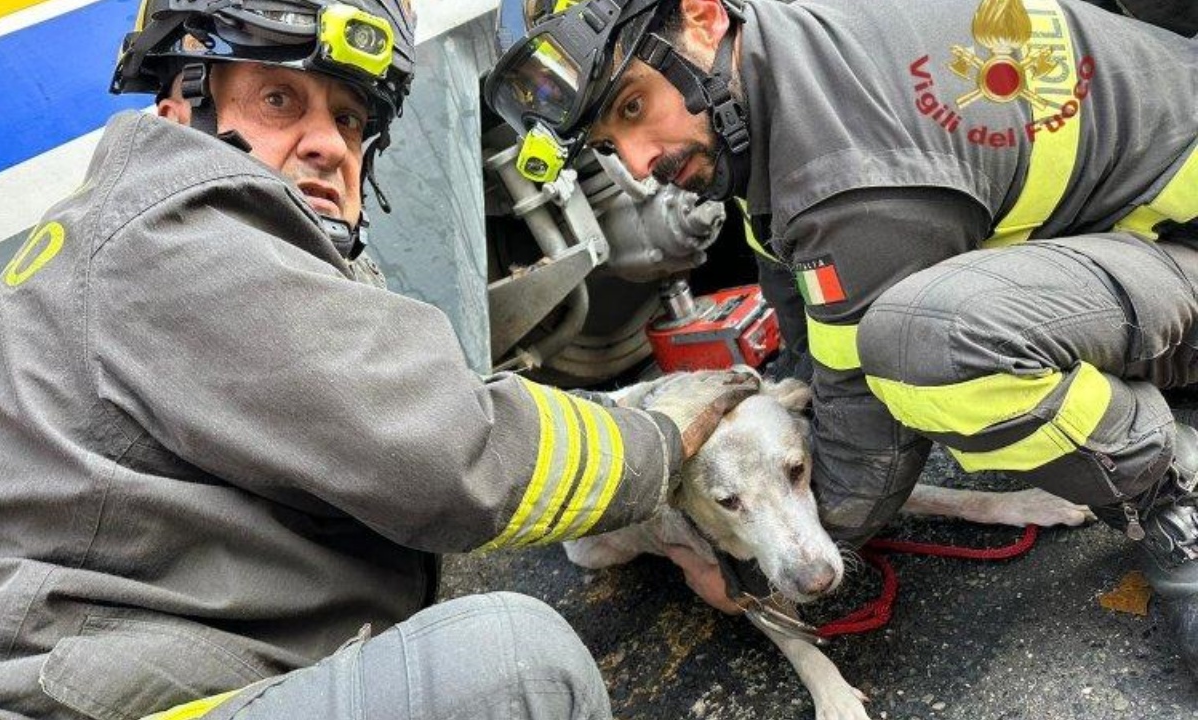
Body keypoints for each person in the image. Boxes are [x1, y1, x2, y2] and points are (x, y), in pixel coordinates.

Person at [0, 1, 761, 718]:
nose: (328, 144)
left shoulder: (151, 232)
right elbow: (452, 455)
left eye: (350, 119)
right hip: (49, 698)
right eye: (280, 99)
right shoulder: (181, 232)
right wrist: (657, 443)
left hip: (114, 668)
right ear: (181, 110)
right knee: (510, 664)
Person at [486, 0, 1198, 674]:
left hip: (1183, 243)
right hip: (1135, 229)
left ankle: (1171, 486)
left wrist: (757, 556)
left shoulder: (840, 174)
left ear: (701, 16)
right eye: (612, 144)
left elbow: (867, 435)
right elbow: (806, 325)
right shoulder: (789, 73)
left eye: (634, 105)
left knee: (926, 348)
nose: (639, 164)